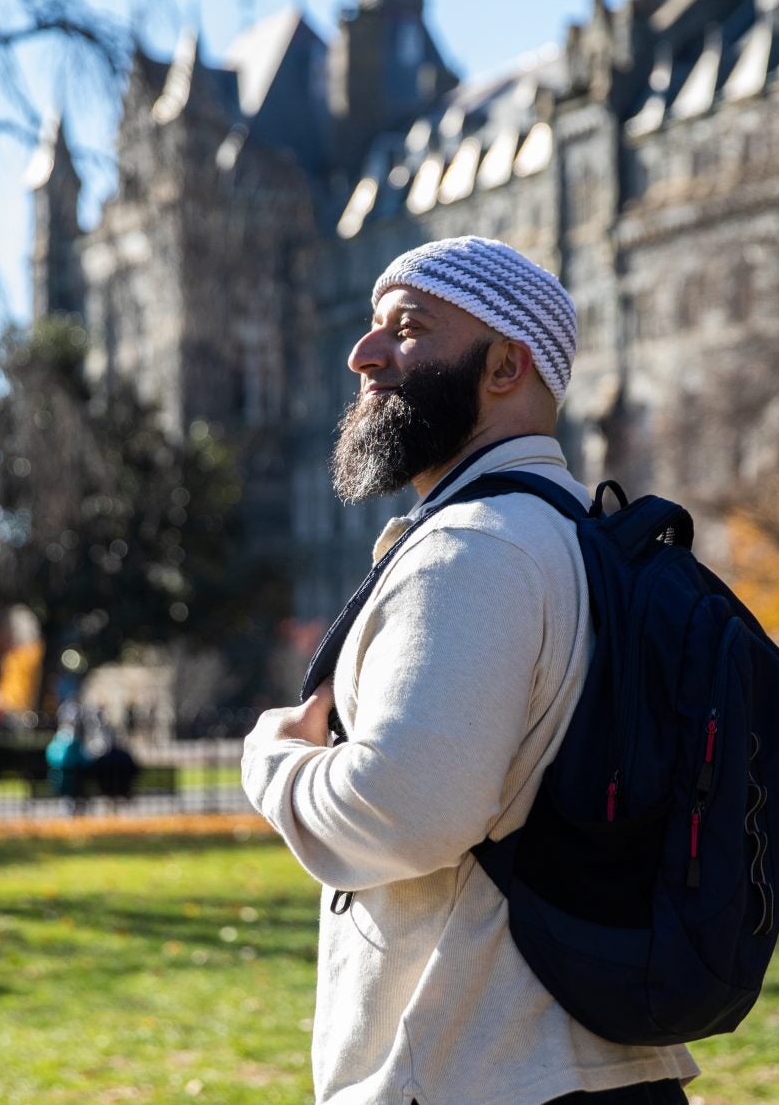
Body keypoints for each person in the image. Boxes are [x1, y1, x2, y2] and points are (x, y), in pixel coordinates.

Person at [242, 237, 697, 1104]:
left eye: (407, 330)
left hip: (481, 1072)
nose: (363, 354)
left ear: (504, 366)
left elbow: (404, 811)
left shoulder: (474, 549)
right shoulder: (574, 541)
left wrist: (274, 766)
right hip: (570, 1063)